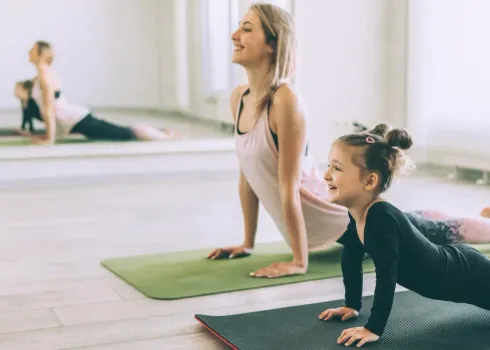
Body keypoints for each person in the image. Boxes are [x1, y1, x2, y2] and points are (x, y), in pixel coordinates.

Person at [206, 2, 490, 278]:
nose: (234, 35)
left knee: (433, 233)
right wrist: (247, 242)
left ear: (272, 44)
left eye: (246, 29)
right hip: (325, 216)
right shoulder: (239, 99)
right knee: (414, 220)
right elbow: (249, 177)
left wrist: (298, 261)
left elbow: (289, 185)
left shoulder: (285, 101)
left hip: (340, 213)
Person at [318, 124, 490, 347]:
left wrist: (373, 328)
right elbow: (351, 256)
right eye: (329, 165)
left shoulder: (381, 217)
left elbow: (387, 276)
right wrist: (352, 305)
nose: (325, 174)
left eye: (337, 168)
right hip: (455, 272)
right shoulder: (357, 213)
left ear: (370, 181)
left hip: (466, 274)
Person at [26, 40, 178, 144]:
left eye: (32, 50)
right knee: (121, 131)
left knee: (125, 133)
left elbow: (48, 110)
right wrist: (49, 135)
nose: (29, 52)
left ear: (42, 55)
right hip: (72, 120)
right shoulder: (41, 77)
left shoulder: (45, 77)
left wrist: (49, 138)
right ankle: (160, 132)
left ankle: (164, 137)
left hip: (76, 119)